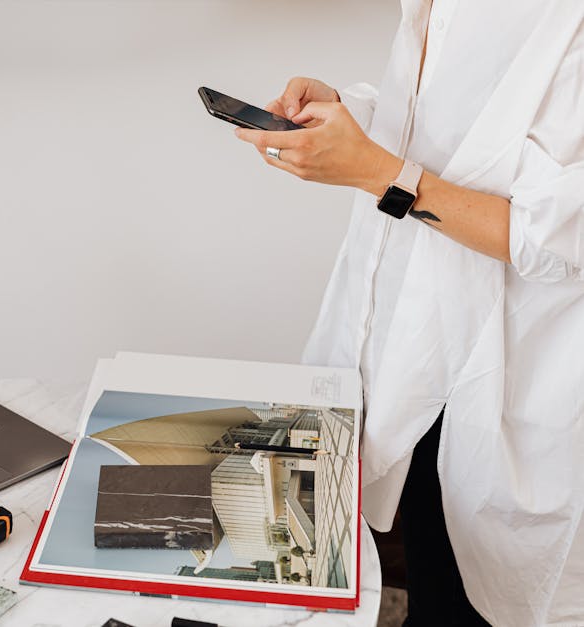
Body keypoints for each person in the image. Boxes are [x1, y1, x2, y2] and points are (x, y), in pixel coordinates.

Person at [232, 1, 584, 626]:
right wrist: (352, 120)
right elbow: (463, 130)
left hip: (514, 385)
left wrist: (374, 171)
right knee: (427, 564)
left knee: (484, 596)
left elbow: (553, 234)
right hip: (416, 355)